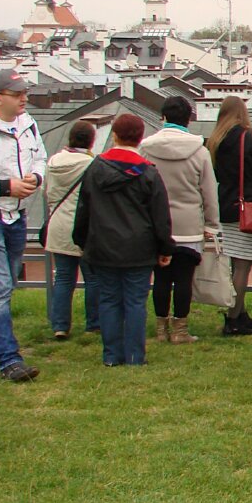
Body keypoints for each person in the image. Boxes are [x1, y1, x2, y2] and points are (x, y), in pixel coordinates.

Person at [73, 114, 175, 366]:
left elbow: (83, 208)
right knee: (135, 302)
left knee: (108, 299)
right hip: (138, 247)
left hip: (102, 245)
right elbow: (160, 215)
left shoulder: (95, 168)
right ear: (140, 138)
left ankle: (111, 355)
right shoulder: (148, 172)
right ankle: (134, 356)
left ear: (115, 135)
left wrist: (82, 240)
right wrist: (165, 246)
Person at [0, 69, 48, 381]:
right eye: (17, 94)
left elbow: (41, 158)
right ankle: (9, 360)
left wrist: (36, 178)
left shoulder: (28, 123)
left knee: (1, 287)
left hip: (16, 216)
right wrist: (5, 187)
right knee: (0, 286)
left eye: (24, 93)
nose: (24, 99)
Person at [140, 96, 221, 344]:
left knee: (161, 278)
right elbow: (208, 191)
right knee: (184, 279)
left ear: (162, 117)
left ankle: (161, 328)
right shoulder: (199, 151)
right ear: (189, 119)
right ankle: (180, 330)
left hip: (156, 225)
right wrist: (212, 224)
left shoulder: (146, 148)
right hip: (190, 226)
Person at [207, 95, 252, 336]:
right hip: (247, 205)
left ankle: (239, 312)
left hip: (226, 204)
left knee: (234, 262)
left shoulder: (216, 140)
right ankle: (233, 318)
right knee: (243, 265)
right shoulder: (246, 137)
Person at [44, 121, 99, 339]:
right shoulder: (91, 164)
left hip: (58, 224)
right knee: (92, 278)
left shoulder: (54, 161)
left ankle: (60, 325)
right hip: (84, 227)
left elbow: (46, 192)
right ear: (91, 141)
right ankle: (93, 323)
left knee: (64, 278)